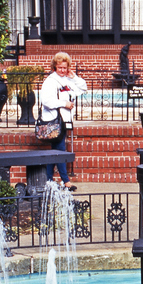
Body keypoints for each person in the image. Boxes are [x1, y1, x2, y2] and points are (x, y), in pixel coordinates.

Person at [39, 52, 87, 190]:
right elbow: (46, 101)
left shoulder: (67, 80)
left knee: (55, 151)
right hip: (54, 122)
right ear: (55, 67)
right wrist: (64, 103)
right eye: (60, 67)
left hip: (64, 121)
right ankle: (66, 181)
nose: (62, 70)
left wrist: (74, 77)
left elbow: (83, 87)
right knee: (60, 151)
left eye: (65, 68)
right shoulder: (50, 81)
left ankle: (48, 181)